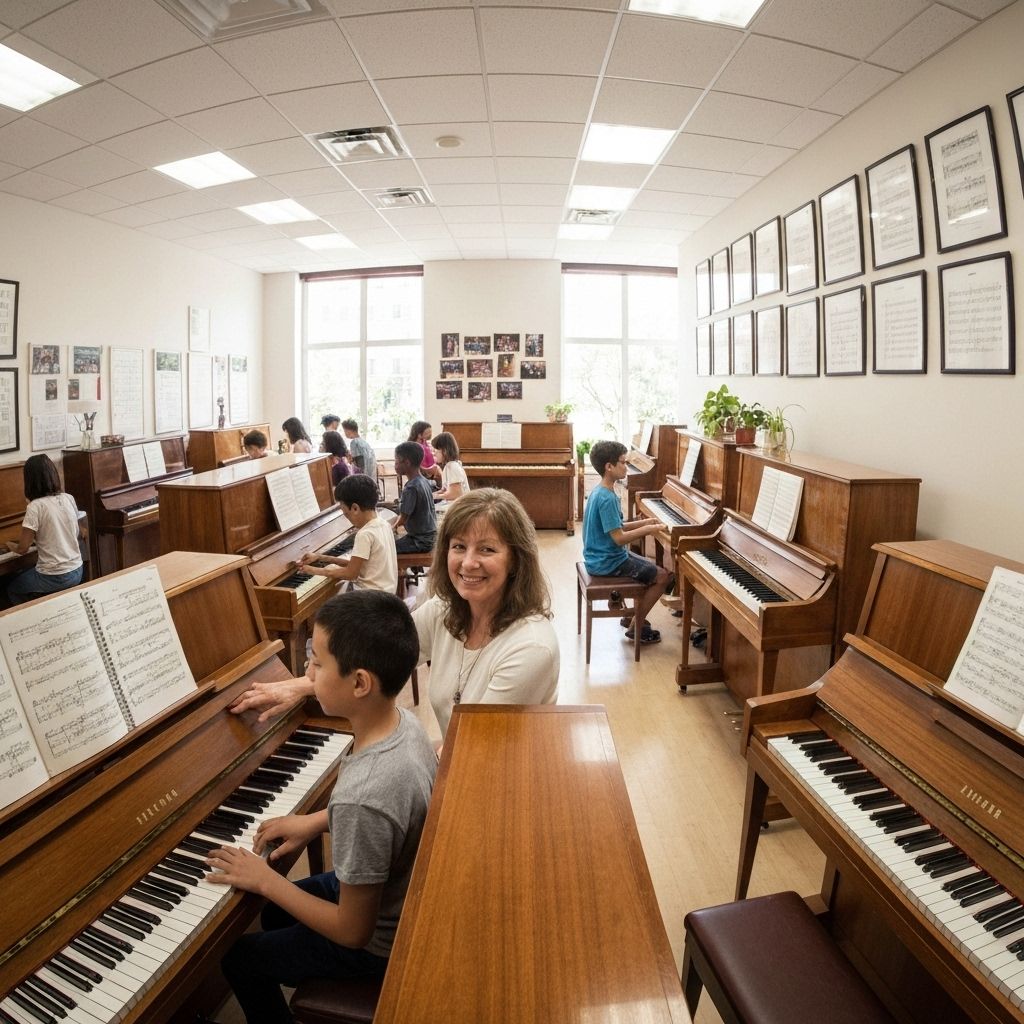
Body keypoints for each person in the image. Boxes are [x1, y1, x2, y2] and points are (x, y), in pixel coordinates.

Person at [210, 590, 436, 1024]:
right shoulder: (403, 724)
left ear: (359, 683)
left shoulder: (363, 793)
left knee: (239, 958)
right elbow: (384, 813)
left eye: (317, 663)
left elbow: (353, 932)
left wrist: (266, 880)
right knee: (275, 914)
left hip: (377, 945)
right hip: (398, 892)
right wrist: (314, 821)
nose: (307, 673)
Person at [230, 488, 559, 742]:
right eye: (459, 547)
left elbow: (470, 748)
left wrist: (326, 817)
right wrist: (299, 687)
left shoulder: (530, 648)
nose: (468, 562)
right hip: (461, 757)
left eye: (486, 549)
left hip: (504, 781)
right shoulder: (445, 611)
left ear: (516, 560)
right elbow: (378, 657)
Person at [582, 440, 672, 645]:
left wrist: (645, 521)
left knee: (649, 568)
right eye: (623, 462)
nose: (626, 467)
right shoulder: (608, 498)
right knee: (662, 576)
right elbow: (619, 538)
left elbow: (617, 526)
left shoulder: (599, 491)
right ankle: (636, 626)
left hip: (600, 556)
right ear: (609, 466)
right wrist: (648, 529)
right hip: (608, 562)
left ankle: (631, 614)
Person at [298, 475, 397, 594]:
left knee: (333, 602)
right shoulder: (384, 524)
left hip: (369, 599)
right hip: (387, 594)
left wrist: (314, 570)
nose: (347, 519)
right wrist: (321, 557)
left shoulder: (365, 534)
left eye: (345, 514)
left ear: (355, 508)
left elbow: (350, 573)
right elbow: (357, 565)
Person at [6, 455, 84, 605]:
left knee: (12, 588)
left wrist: (9, 545)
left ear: (30, 480)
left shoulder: (35, 507)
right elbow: (76, 533)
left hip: (55, 577)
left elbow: (22, 549)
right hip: (77, 570)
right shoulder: (68, 498)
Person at [392, 441, 436, 554]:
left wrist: (390, 528)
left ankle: (399, 570)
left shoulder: (411, 487)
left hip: (420, 541)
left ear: (407, 462)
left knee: (385, 548)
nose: (395, 465)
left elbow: (402, 519)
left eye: (396, 461)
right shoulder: (424, 481)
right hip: (430, 537)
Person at [430, 431, 468, 503]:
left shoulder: (452, 467)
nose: (434, 453)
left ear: (444, 451)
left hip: (458, 506)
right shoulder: (450, 465)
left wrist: (434, 497)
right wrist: (430, 495)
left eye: (436, 450)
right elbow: (445, 490)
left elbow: (455, 494)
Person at [342, 418, 377, 484]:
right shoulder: (364, 442)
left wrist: (350, 459)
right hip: (370, 476)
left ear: (348, 431)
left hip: (361, 478)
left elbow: (358, 464)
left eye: (344, 431)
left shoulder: (354, 442)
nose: (344, 433)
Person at [407, 420, 441, 485]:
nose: (430, 435)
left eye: (431, 432)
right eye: (428, 433)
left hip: (430, 473)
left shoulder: (424, 442)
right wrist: (428, 470)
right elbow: (414, 466)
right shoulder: (412, 446)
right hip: (421, 476)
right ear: (419, 434)